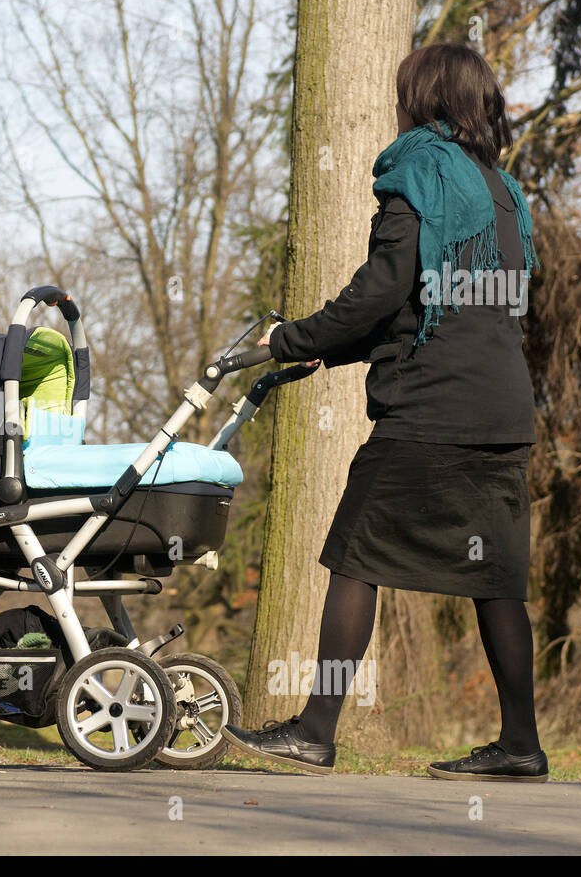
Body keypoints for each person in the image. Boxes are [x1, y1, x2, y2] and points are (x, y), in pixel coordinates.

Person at [224, 43, 548, 783]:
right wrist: (329, 355)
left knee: (353, 558)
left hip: (431, 412)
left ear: (424, 96)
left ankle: (314, 730)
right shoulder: (503, 193)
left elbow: (381, 287)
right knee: (496, 578)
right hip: (503, 411)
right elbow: (443, 304)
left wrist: (292, 337)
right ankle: (521, 743)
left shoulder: (420, 173)